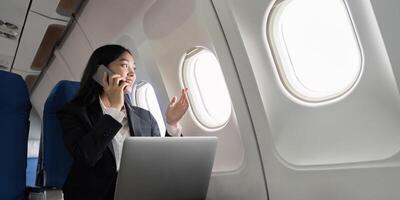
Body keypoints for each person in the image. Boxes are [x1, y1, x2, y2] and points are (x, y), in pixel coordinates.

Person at [57, 44, 189, 200]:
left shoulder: (145, 117)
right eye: (125, 65)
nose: (132, 73)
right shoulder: (74, 112)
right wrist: (114, 109)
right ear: (101, 72)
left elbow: (160, 162)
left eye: (134, 68)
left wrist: (172, 124)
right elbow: (86, 157)